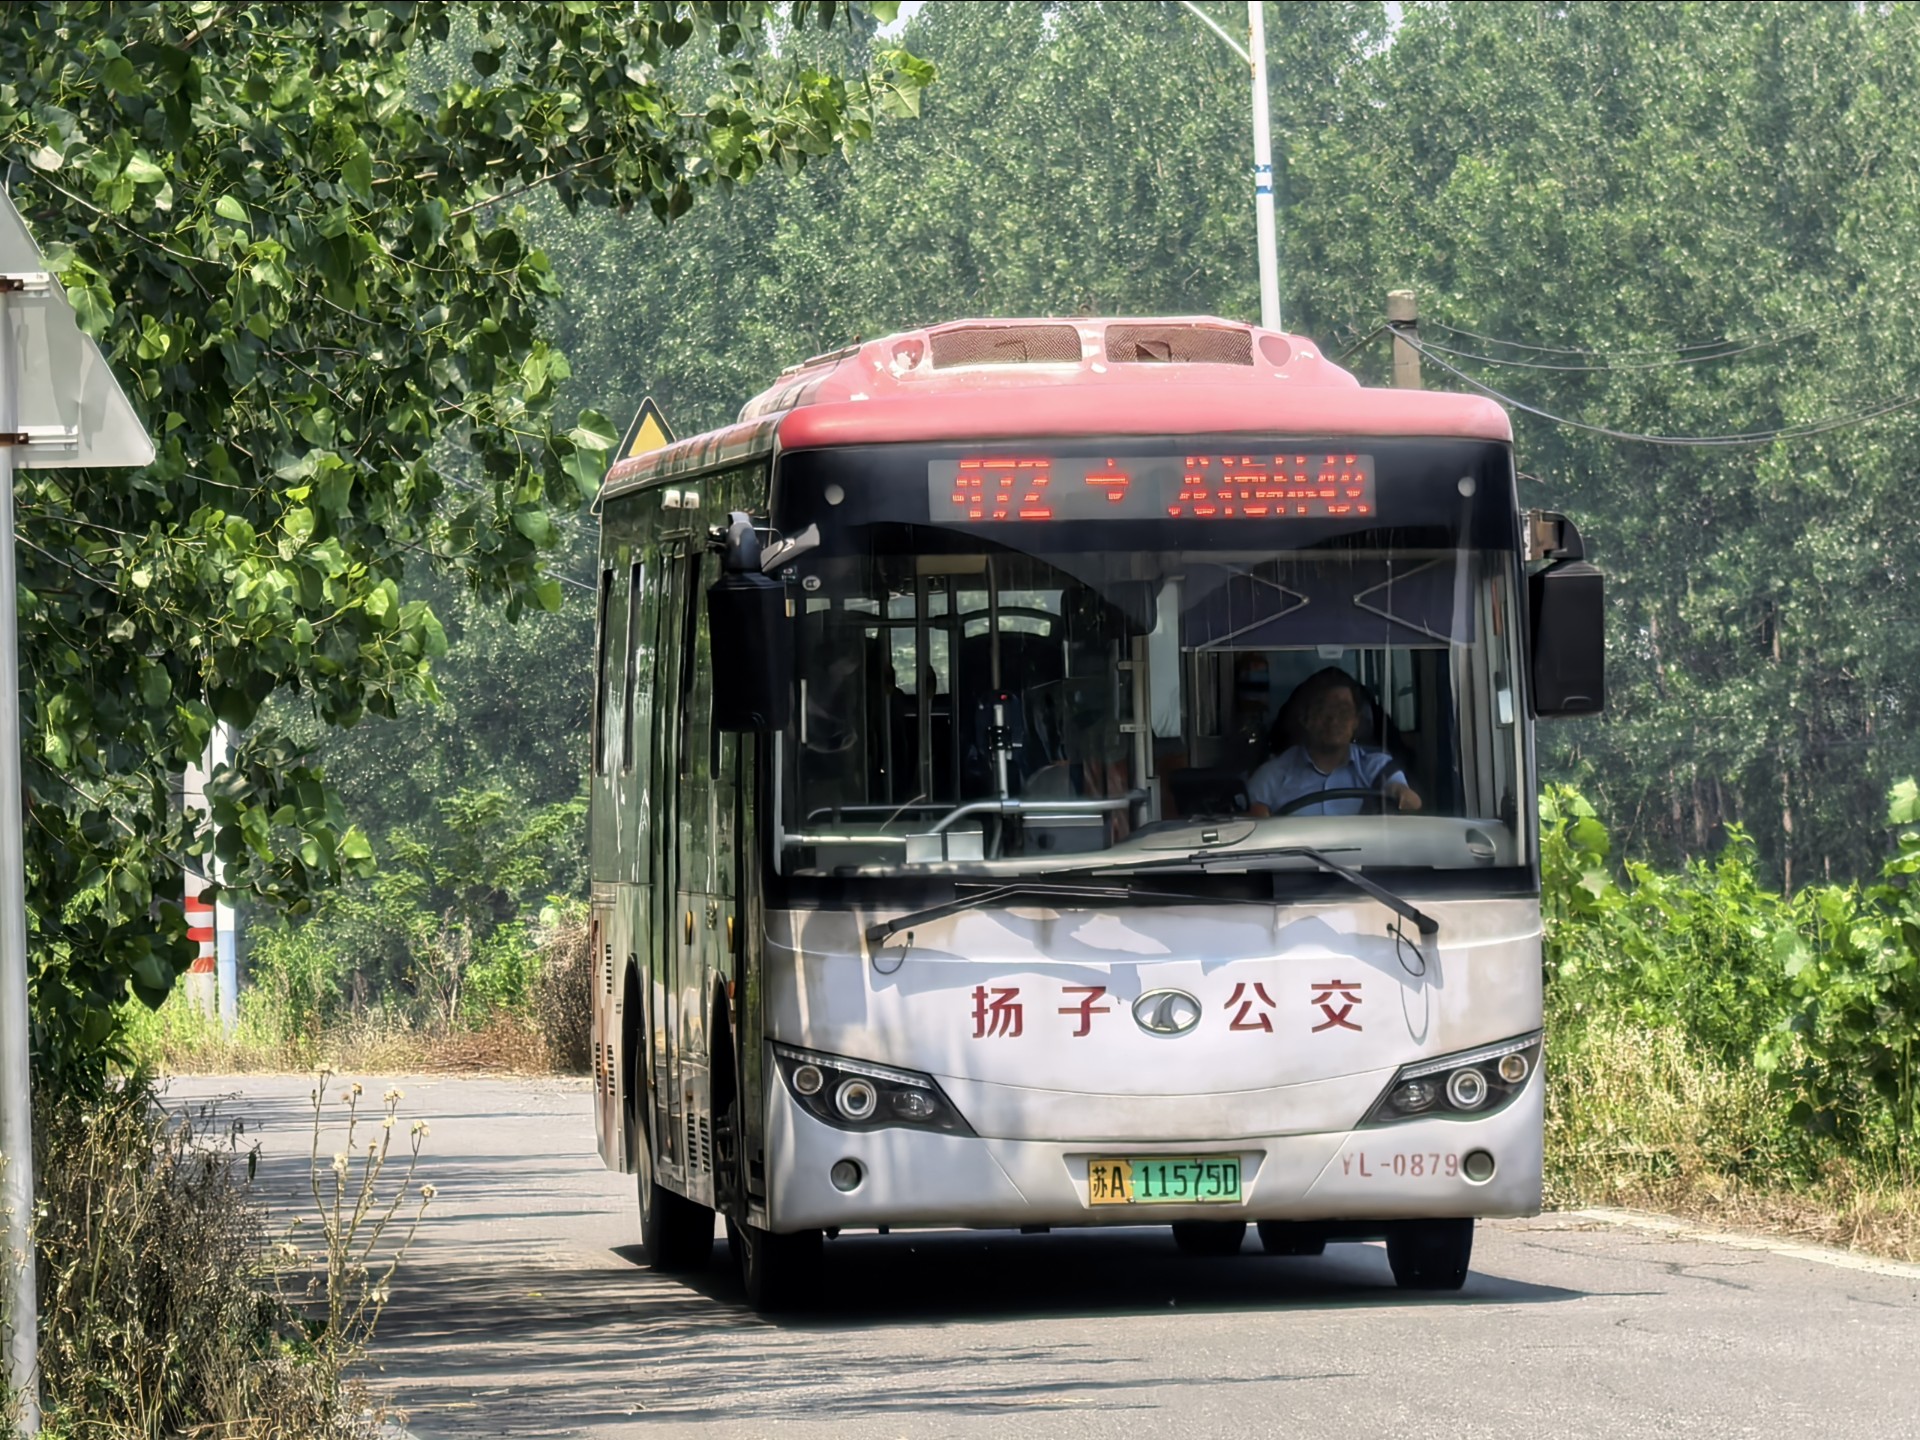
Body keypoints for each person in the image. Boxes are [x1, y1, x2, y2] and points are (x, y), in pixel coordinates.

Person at [1246, 668, 1421, 817]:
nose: (1333, 720)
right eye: (1323, 710)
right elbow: (1242, 821)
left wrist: (1400, 793)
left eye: (1343, 711)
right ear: (1305, 718)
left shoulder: (1376, 766)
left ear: (1356, 721)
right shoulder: (1273, 774)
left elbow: (1409, 799)